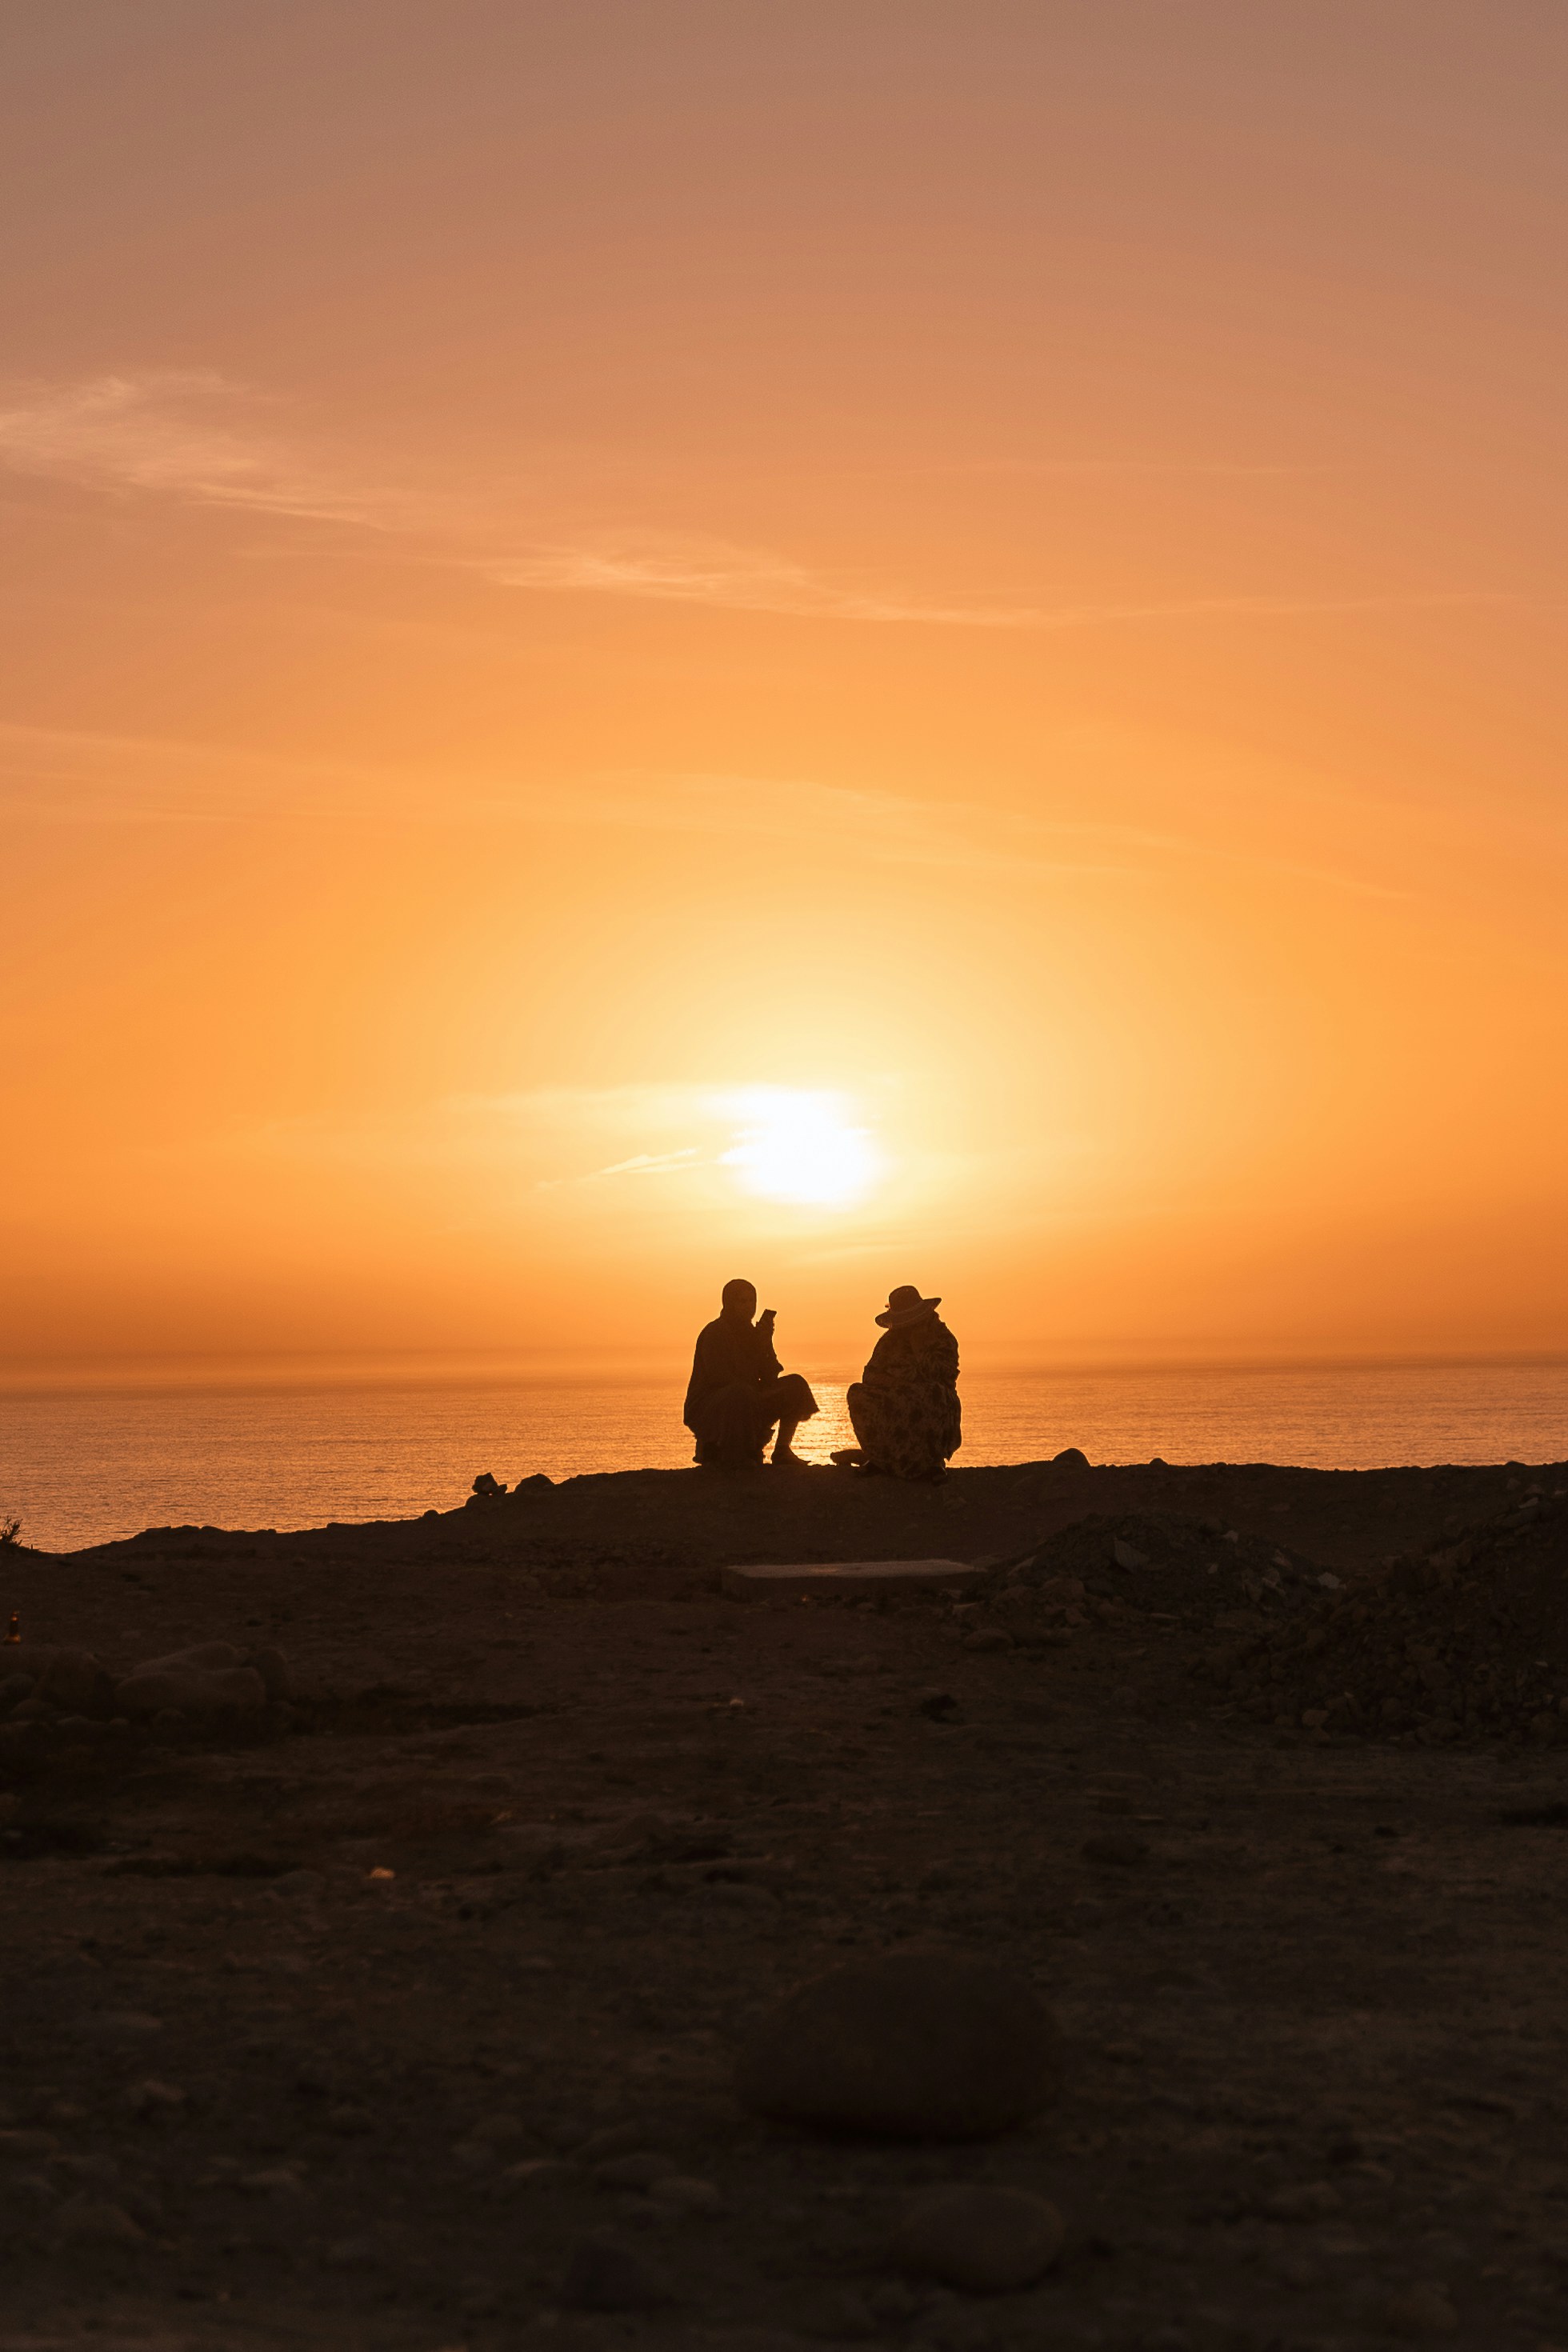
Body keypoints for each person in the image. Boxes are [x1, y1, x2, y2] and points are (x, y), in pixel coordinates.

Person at [683, 1278, 819, 1470]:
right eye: (742, 1301)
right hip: (712, 1405)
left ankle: (782, 1450)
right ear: (729, 1303)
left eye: (752, 1301)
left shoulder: (754, 1334)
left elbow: (770, 1377)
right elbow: (719, 1378)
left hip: (748, 1397)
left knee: (795, 1384)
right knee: (740, 1393)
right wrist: (752, 1391)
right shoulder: (715, 1332)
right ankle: (732, 1452)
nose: (749, 1307)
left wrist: (765, 1343)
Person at [838, 1284, 961, 1482]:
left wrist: (920, 1347)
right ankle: (879, 1458)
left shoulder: (942, 1338)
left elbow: (944, 1376)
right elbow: (870, 1374)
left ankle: (932, 1462)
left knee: (931, 1394)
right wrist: (894, 1384)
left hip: (931, 1397)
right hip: (892, 1394)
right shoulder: (889, 1340)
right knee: (858, 1393)